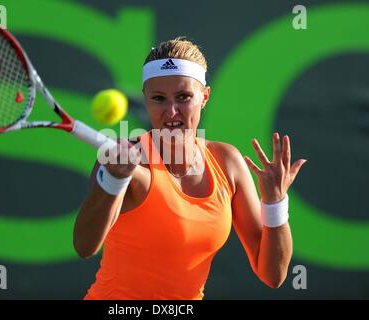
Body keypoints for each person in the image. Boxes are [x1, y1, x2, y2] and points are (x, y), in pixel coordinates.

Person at [73, 37, 307, 300]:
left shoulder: (227, 162)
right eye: (159, 99)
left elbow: (273, 275)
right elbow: (84, 246)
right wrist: (113, 180)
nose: (171, 112)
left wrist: (275, 203)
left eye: (183, 97)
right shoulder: (126, 162)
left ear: (204, 97)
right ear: (146, 100)